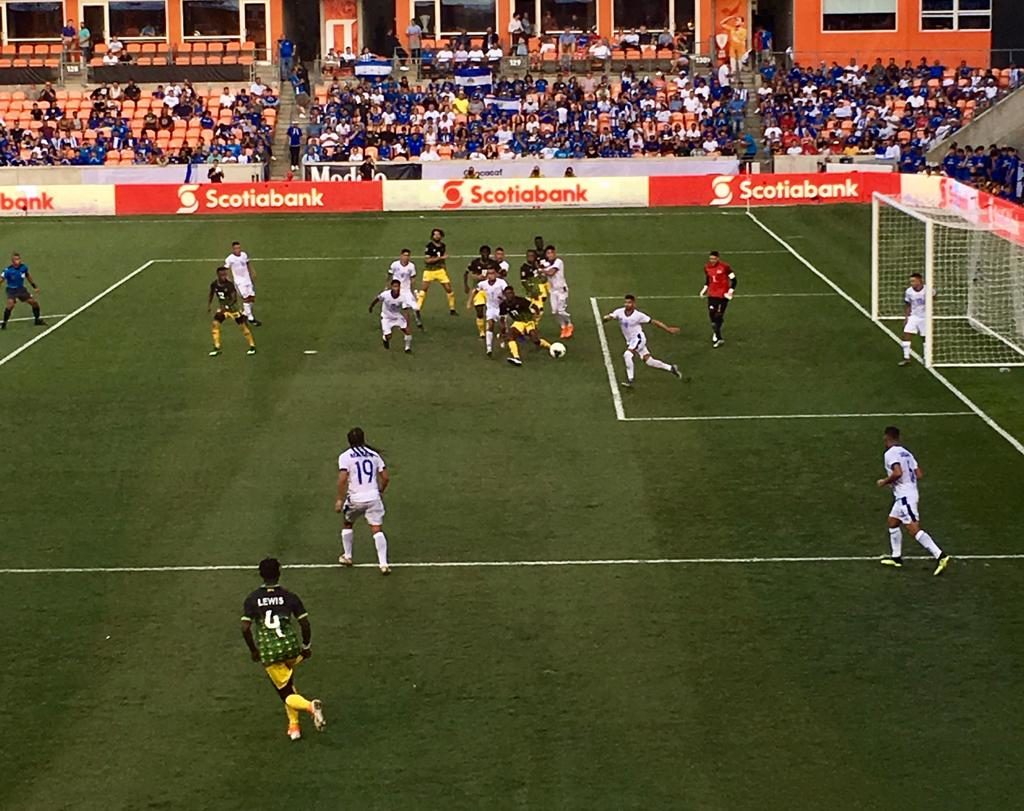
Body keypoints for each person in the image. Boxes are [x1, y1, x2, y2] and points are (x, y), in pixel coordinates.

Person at [240, 557, 326, 741]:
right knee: (288, 683)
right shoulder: (290, 596)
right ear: (279, 573)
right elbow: (305, 623)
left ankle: (311, 707)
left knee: (285, 693)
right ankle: (294, 726)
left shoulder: (253, 598)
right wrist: (306, 646)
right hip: (291, 648)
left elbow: (245, 628)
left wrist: (254, 651)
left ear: (261, 574)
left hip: (271, 651)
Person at [877, 426, 952, 575]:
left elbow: (898, 472)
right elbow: (919, 474)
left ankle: (940, 555)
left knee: (913, 529)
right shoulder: (907, 453)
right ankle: (896, 557)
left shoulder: (890, 453)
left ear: (886, 438)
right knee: (892, 522)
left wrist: (885, 481)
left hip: (905, 496)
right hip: (907, 494)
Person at [336, 427, 392, 574]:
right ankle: (383, 564)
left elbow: (342, 479)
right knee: (376, 529)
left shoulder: (345, 456)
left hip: (355, 498)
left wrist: (340, 500)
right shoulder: (374, 455)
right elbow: (386, 477)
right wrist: (380, 491)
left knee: (348, 523)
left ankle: (348, 556)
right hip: (373, 497)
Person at [603, 295, 683, 388]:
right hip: (631, 341)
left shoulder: (638, 315)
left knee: (627, 355)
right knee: (649, 361)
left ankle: (630, 380)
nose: (627, 304)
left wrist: (668, 329)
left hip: (639, 339)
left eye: (629, 302)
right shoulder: (619, 312)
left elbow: (653, 321)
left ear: (633, 304)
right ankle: (671, 368)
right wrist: (606, 318)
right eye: (626, 302)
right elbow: (611, 316)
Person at [207, 266, 256, 356]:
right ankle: (217, 347)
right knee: (215, 325)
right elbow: (211, 293)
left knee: (243, 327)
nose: (224, 276)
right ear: (218, 275)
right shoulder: (214, 284)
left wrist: (226, 306)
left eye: (225, 274)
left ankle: (252, 346)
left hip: (233, 310)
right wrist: (209, 305)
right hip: (223, 310)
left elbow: (234, 299)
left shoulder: (229, 285)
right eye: (222, 275)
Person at [500, 286, 551, 366]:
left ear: (513, 293)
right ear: (504, 295)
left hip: (528, 322)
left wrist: (536, 317)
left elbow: (534, 306)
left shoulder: (521, 301)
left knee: (535, 340)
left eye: (510, 293)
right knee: (511, 336)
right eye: (507, 294)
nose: (509, 295)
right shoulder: (503, 305)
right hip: (518, 322)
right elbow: (502, 318)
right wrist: (503, 329)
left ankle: (550, 347)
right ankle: (516, 358)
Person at [468, 267, 509, 356]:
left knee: (503, 327)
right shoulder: (483, 284)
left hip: (501, 307)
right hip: (491, 308)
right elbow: (475, 291)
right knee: (490, 325)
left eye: (493, 273)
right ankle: (489, 348)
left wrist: (505, 298)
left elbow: (508, 292)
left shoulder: (501, 282)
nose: (491, 275)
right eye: (489, 274)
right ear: (487, 276)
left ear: (496, 274)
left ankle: (502, 337)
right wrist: (469, 302)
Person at [700, 250, 736, 348]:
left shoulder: (725, 267)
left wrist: (730, 292)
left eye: (714, 259)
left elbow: (734, 280)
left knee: (718, 316)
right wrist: (704, 289)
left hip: (723, 295)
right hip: (712, 294)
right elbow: (708, 280)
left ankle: (719, 337)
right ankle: (717, 330)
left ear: (718, 259)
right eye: (711, 258)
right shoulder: (707, 267)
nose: (712, 260)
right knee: (712, 315)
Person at [370, 278, 416, 353]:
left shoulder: (402, 297)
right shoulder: (385, 294)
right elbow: (377, 299)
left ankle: (407, 348)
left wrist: (407, 323)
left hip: (397, 316)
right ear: (391, 287)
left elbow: (405, 311)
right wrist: (371, 306)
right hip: (386, 317)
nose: (396, 288)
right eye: (394, 286)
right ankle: (385, 338)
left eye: (397, 286)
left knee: (407, 331)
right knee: (389, 336)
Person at [419, 228, 457, 315]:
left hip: (440, 270)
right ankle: (418, 308)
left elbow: (443, 261)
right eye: (435, 234)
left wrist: (445, 270)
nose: (436, 236)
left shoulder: (443, 246)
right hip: (429, 271)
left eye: (438, 234)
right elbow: (427, 260)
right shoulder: (429, 246)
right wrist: (440, 258)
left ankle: (452, 309)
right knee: (424, 289)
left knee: (449, 289)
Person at [1, 253, 45, 330]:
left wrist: (34, 286)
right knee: (10, 305)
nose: (18, 261)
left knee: (34, 303)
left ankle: (37, 320)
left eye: (19, 259)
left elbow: (28, 276)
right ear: (13, 261)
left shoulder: (23, 268)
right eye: (16, 259)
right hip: (12, 290)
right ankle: (4, 323)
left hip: (21, 289)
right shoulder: (8, 270)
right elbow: (1, 279)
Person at [464, 244, 499, 339]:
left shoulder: (493, 263)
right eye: (483, 253)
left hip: (490, 289)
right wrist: (469, 282)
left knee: (490, 311)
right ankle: (482, 332)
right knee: (479, 310)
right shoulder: (475, 263)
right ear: (480, 253)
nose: (485, 254)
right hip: (478, 290)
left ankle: (489, 329)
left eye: (487, 253)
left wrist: (491, 276)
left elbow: (499, 274)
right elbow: (467, 273)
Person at [538, 244, 573, 339]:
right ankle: (563, 327)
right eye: (548, 253)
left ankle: (569, 324)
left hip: (561, 290)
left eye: (551, 253)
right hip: (552, 291)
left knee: (561, 311)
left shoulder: (559, 262)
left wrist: (541, 270)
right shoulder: (546, 264)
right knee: (554, 312)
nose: (550, 255)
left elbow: (551, 272)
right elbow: (543, 277)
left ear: (554, 253)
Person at [225, 241, 261, 327]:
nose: (238, 250)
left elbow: (248, 263)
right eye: (236, 248)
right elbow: (226, 269)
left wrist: (252, 271)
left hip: (247, 280)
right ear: (233, 249)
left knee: (252, 297)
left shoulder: (244, 255)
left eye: (239, 248)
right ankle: (250, 318)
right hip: (239, 282)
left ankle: (245, 313)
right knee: (246, 298)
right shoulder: (230, 258)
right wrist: (228, 280)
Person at [388, 248, 423, 329]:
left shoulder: (411, 266)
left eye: (407, 256)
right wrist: (387, 287)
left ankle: (418, 319)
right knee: (404, 308)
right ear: (401, 256)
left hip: (406, 290)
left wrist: (415, 290)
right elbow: (389, 275)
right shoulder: (394, 265)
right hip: (397, 290)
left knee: (416, 307)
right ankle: (405, 324)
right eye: (404, 255)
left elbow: (413, 278)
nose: (406, 257)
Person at [898, 272, 928, 367]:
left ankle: (926, 357)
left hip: (925, 317)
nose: (912, 283)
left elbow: (934, 299)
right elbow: (908, 304)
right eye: (911, 281)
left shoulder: (928, 290)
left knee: (925, 338)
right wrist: (906, 317)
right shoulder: (909, 291)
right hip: (914, 316)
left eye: (914, 281)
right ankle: (906, 358)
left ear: (920, 280)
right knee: (906, 334)